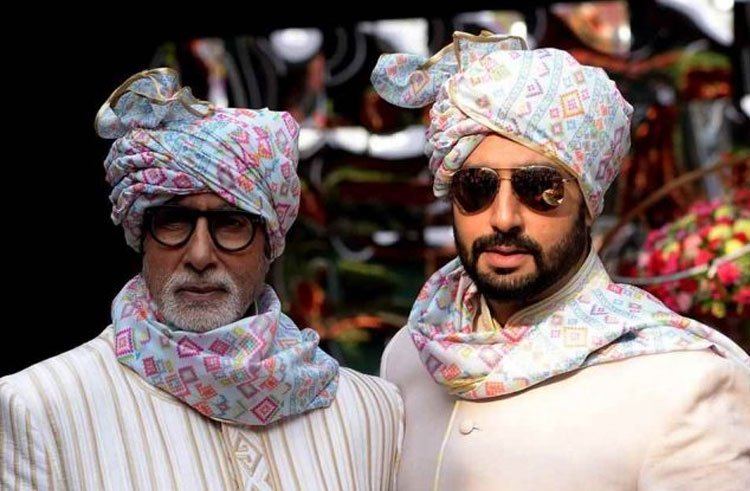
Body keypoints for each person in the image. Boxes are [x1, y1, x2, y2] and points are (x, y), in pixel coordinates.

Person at [370, 31, 750, 490]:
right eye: (476, 186)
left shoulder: (683, 385)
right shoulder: (411, 356)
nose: (503, 218)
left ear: (587, 205)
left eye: (540, 188)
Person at [1, 68, 402, 490]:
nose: (199, 255)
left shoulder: (372, 413)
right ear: (141, 234)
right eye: (173, 221)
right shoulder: (44, 408)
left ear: (270, 242)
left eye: (231, 224)